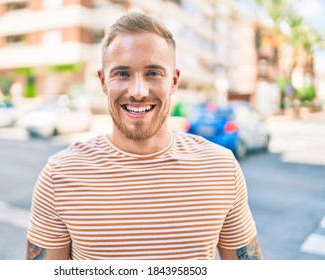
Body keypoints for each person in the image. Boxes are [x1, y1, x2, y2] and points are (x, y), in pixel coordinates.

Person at [26, 12, 263, 260]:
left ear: (173, 81)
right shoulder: (59, 175)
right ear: (103, 81)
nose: (138, 92)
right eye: (122, 74)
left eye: (153, 73)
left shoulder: (221, 168)